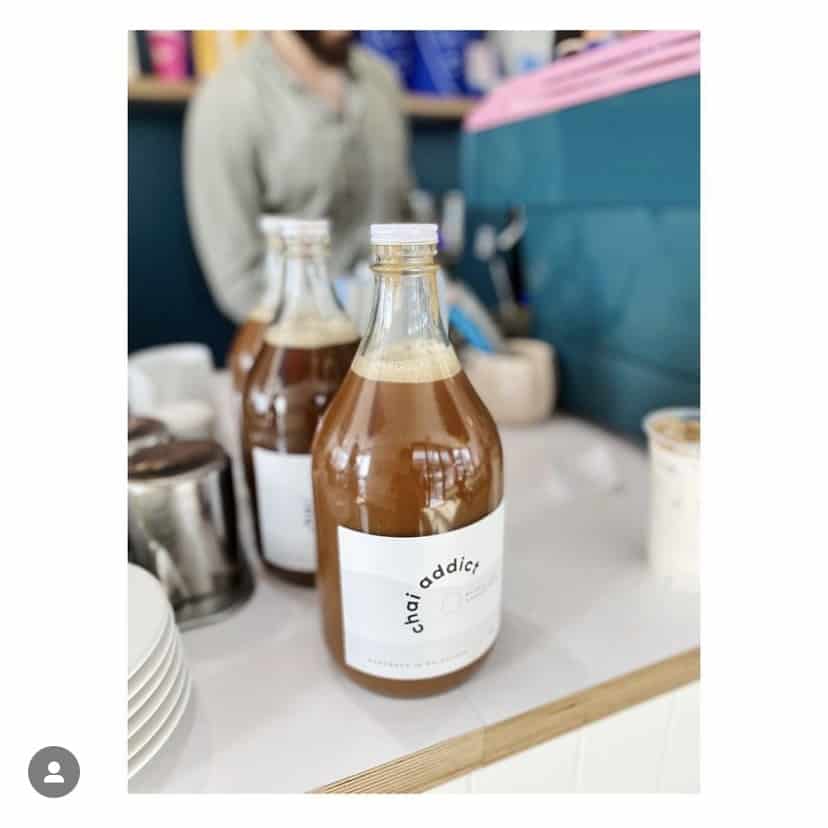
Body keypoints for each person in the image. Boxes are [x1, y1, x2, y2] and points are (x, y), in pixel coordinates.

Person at [184, 31, 414, 324]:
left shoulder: (383, 81)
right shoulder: (227, 99)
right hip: (300, 341)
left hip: (402, 330)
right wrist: (339, 327)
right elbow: (240, 282)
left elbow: (406, 219)